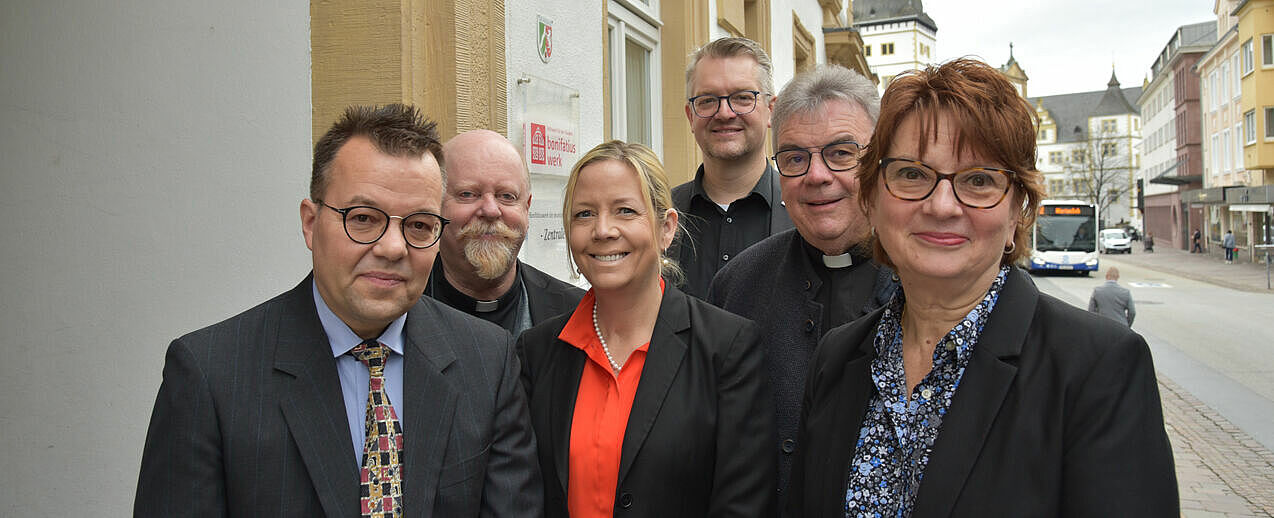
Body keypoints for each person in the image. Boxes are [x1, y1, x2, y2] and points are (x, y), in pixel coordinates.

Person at [785, 59, 1177, 517]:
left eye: (978, 180)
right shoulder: (838, 357)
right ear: (872, 198)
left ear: (1017, 212)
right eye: (912, 174)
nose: (942, 205)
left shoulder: (1097, 368)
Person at [135, 105, 543, 517]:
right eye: (363, 219)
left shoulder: (487, 361)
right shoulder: (211, 374)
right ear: (311, 224)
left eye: (419, 225)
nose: (392, 248)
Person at [518, 141, 776, 517]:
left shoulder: (726, 347)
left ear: (666, 228)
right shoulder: (538, 351)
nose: (603, 230)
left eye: (625, 211)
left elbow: (744, 505)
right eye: (584, 214)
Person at [707, 64, 897, 496]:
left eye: (842, 153)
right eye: (794, 158)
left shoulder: (925, 286)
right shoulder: (737, 285)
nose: (816, 176)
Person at [670, 37, 794, 298]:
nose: (724, 113)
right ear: (690, 116)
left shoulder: (804, 211)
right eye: (707, 100)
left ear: (771, 110)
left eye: (742, 97)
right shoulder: (659, 215)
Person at [427, 129, 583, 335]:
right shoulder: (399, 310)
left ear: (527, 208)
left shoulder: (577, 316)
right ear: (435, 204)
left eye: (507, 196)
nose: (491, 210)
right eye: (468, 194)